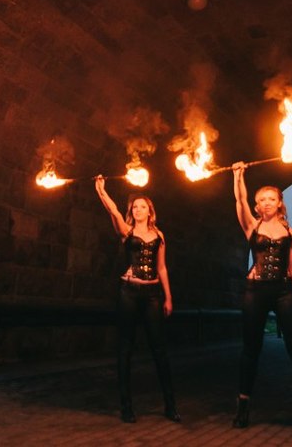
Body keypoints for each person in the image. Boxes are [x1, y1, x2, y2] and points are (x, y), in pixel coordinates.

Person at [230, 161, 292, 437]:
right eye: (262, 200)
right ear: (257, 206)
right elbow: (239, 200)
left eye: (271, 199)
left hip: (283, 291)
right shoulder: (252, 226)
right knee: (251, 349)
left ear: (279, 203)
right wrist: (238, 176)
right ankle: (243, 407)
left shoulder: (290, 233)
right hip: (255, 291)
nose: (266, 203)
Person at [95, 175, 180, 424]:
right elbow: (112, 210)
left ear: (150, 211)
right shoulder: (127, 231)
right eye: (134, 207)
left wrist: (168, 297)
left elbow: (162, 267)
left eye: (142, 206)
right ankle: (126, 406)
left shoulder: (159, 235)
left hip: (152, 294)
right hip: (129, 292)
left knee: (159, 348)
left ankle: (170, 405)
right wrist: (102, 191)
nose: (138, 210)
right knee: (126, 347)